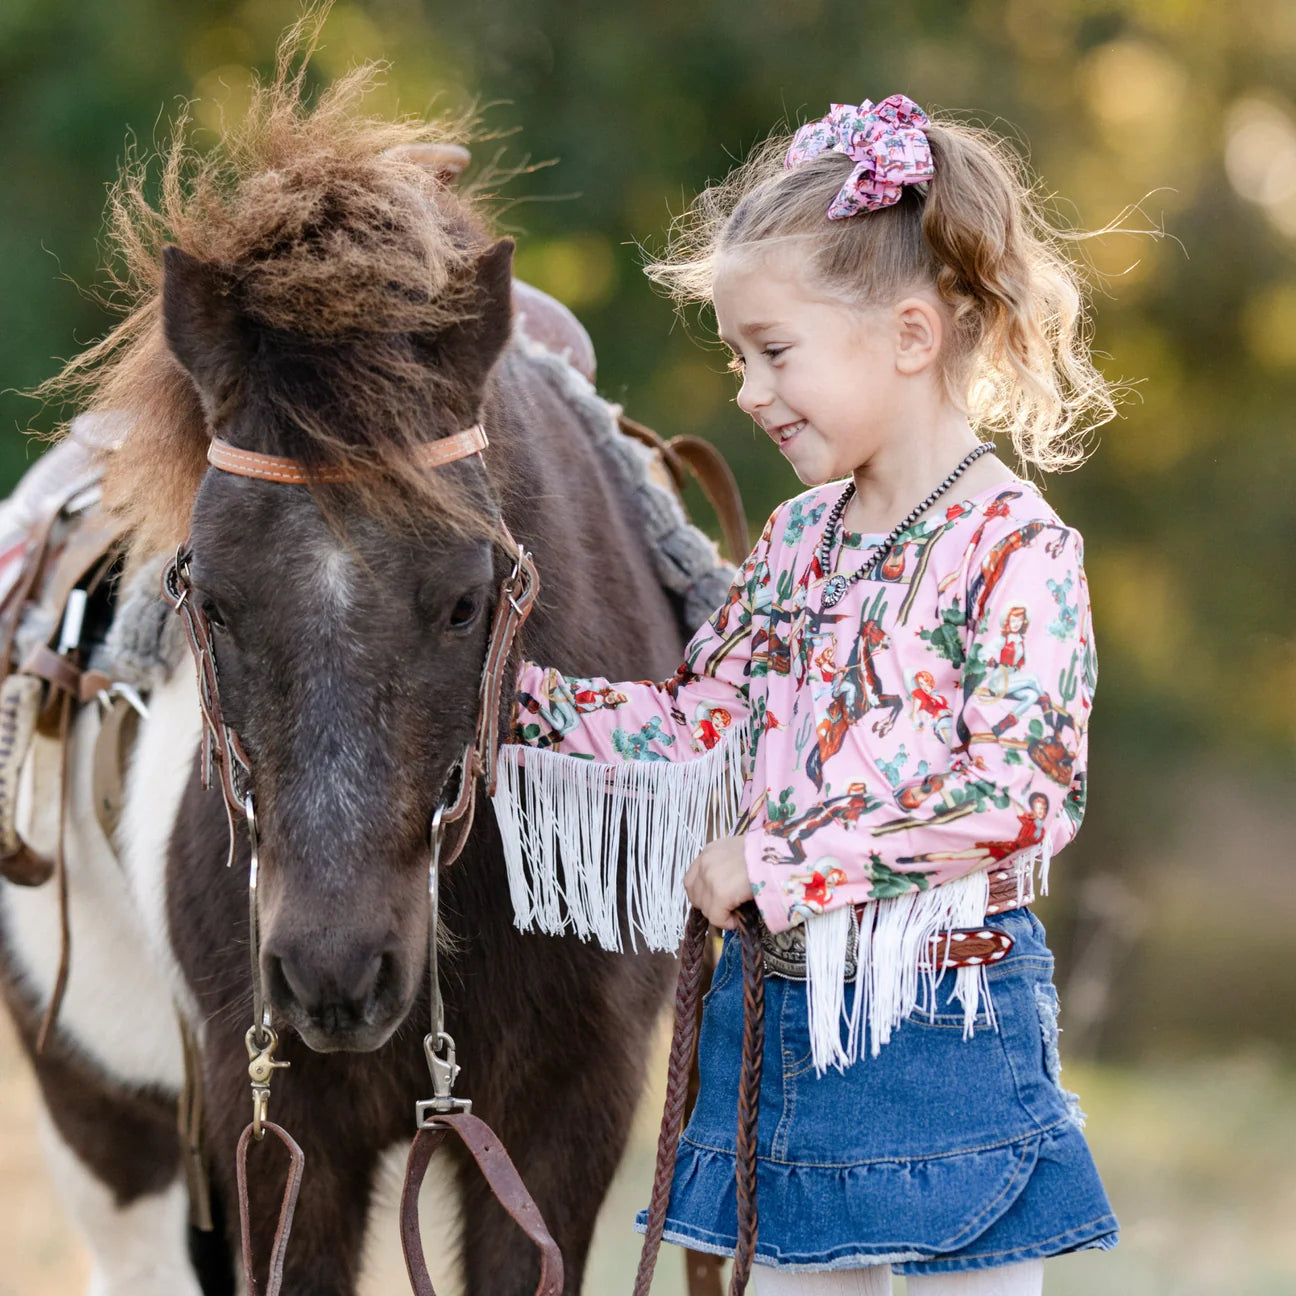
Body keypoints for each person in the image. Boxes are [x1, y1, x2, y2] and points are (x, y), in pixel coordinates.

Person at [492, 95, 1117, 1295]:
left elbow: (1020, 790)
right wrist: (504, 700)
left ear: (912, 335)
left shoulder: (1013, 547)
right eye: (739, 357)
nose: (747, 391)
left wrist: (784, 866)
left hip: (946, 1019)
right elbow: (694, 718)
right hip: (783, 1026)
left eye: (773, 351)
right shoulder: (798, 540)